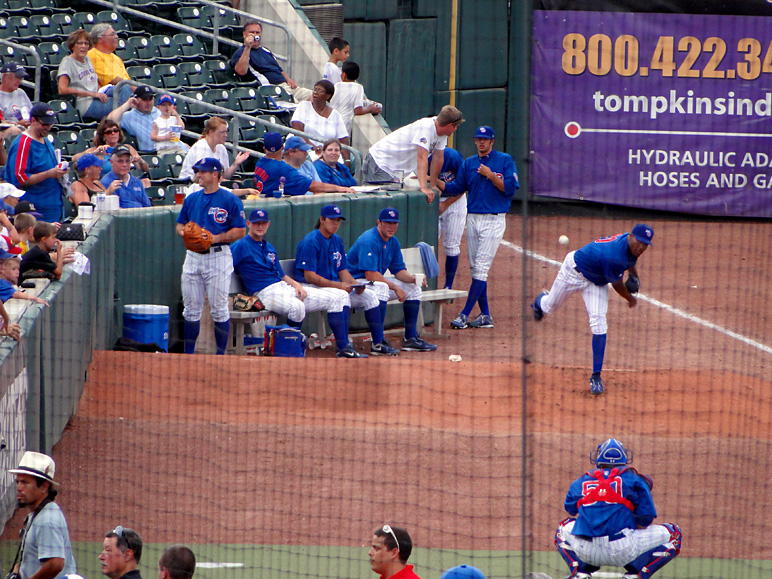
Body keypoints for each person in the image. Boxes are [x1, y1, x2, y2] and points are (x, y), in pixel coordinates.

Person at [232, 207, 378, 358]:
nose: (260, 226)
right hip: (263, 292)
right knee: (297, 307)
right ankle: (286, 350)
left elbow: (282, 276)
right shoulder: (241, 245)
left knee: (339, 297)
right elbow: (226, 265)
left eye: (263, 223)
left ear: (268, 225)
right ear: (249, 224)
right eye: (256, 223)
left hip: (282, 287)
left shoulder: (269, 247)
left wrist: (297, 285)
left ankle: (344, 348)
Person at [531, 224, 653, 395]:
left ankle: (596, 376)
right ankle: (540, 301)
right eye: (639, 242)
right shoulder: (615, 255)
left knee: (599, 323)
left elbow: (631, 261)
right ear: (631, 236)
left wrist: (634, 276)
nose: (641, 247)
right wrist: (631, 300)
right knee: (550, 307)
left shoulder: (631, 245)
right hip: (573, 272)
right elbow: (617, 285)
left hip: (596, 282)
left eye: (645, 245)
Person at [555, 439, 682, 579]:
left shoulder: (581, 481)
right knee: (674, 533)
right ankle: (637, 576)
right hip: (622, 550)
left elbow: (571, 509)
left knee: (562, 528)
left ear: (598, 458)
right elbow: (646, 519)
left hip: (586, 550)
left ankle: (580, 573)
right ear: (624, 458)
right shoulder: (634, 480)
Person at [294, 205, 399, 357]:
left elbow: (342, 270)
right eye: (331, 220)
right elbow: (310, 276)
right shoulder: (311, 241)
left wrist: (355, 284)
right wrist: (339, 286)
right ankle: (343, 347)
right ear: (322, 220)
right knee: (341, 295)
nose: (335, 223)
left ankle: (378, 343)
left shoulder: (337, 240)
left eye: (338, 220)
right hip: (309, 287)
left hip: (330, 287)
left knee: (370, 296)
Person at [440, 127, 518, 330]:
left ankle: (464, 315)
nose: (481, 143)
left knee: (481, 269)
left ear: (492, 141)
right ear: (475, 141)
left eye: (485, 139)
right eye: (478, 139)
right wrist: (433, 181)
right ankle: (485, 315)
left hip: (494, 220)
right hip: (472, 219)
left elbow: (509, 189)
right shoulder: (469, 163)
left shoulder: (505, 160)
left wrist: (491, 175)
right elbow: (455, 189)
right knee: (475, 269)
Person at [176, 157, 246, 355]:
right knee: (190, 310)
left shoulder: (230, 199)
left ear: (215, 174)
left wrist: (215, 238)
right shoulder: (191, 199)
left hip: (218, 256)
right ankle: (188, 355)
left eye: (203, 172)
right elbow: (179, 225)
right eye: (198, 171)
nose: (199, 175)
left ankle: (220, 355)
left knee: (219, 309)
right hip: (193, 257)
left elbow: (241, 231)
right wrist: (185, 233)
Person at [347, 208, 437, 353]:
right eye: (388, 223)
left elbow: (398, 270)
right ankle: (378, 342)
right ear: (379, 223)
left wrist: (412, 279)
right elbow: (370, 274)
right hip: (354, 284)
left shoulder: (393, 241)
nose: (392, 227)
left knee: (413, 288)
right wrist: (395, 287)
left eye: (394, 223)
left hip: (371, 282)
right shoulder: (369, 239)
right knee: (383, 287)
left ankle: (410, 339)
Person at [362, 105, 464, 203]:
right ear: (450, 125)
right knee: (381, 203)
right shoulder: (426, 128)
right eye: (456, 126)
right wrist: (423, 187)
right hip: (380, 162)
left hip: (395, 170)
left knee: (392, 204)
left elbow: (438, 159)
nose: (456, 130)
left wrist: (433, 185)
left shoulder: (442, 134)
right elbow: (421, 157)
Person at [8, 451, 76, 579]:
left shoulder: (48, 519)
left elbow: (55, 564)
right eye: (18, 482)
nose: (19, 487)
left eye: (25, 482)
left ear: (44, 486)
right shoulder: (38, 513)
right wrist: (17, 571)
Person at [4, 103, 66, 223]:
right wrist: (48, 173)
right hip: (36, 212)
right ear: (33, 120)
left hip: (54, 208)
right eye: (44, 124)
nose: (48, 128)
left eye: (50, 124)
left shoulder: (45, 140)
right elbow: (20, 178)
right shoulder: (23, 143)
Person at [230, 20, 312, 101]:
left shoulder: (266, 50)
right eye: (252, 32)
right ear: (244, 34)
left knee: (314, 97)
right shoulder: (241, 52)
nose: (255, 35)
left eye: (257, 32)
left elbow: (278, 69)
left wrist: (289, 80)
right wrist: (248, 47)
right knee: (298, 105)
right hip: (270, 90)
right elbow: (241, 71)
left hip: (285, 87)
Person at [254, 132, 355, 197]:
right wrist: (339, 188)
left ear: (264, 149)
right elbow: (313, 185)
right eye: (303, 151)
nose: (306, 153)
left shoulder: (261, 162)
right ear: (282, 148)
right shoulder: (283, 169)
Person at [428, 147, 465, 289]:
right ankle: (429, 283)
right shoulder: (422, 156)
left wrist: (445, 204)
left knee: (451, 245)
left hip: (455, 201)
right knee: (429, 243)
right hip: (432, 200)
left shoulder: (453, 156)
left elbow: (463, 185)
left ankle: (448, 286)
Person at [57, 29, 111, 122]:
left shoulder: (87, 59)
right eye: (80, 43)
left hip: (97, 97)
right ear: (73, 46)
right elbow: (62, 89)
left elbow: (92, 81)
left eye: (86, 44)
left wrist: (100, 92)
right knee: (123, 105)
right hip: (85, 103)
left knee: (124, 88)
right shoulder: (67, 62)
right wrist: (92, 94)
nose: (83, 46)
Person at [290, 80, 350, 160]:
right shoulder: (303, 106)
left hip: (330, 151)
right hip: (308, 149)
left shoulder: (335, 114)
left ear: (328, 96)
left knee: (355, 157)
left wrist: (347, 160)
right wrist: (313, 147)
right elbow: (297, 131)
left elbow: (343, 139)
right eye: (315, 89)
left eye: (320, 91)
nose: (315, 92)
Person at [72, 118, 149, 178]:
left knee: (145, 181)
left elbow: (145, 169)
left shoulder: (127, 148)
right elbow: (74, 159)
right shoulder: (98, 150)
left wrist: (140, 161)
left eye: (115, 130)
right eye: (109, 132)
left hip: (126, 182)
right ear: (103, 136)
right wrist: (95, 153)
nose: (113, 133)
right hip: (106, 184)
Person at [179, 117, 249, 182]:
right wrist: (230, 183)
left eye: (226, 132)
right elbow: (205, 177)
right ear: (211, 132)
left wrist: (236, 164)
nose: (225, 135)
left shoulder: (221, 148)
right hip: (190, 185)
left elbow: (224, 176)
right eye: (222, 132)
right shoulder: (201, 147)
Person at [331, 61, 381, 137]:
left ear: (343, 75)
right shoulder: (358, 87)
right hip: (343, 126)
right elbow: (358, 111)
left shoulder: (336, 85)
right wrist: (371, 109)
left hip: (331, 122)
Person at [88, 23, 133, 104]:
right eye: (112, 35)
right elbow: (111, 80)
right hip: (103, 94)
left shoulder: (117, 58)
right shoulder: (92, 54)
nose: (116, 37)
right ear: (100, 38)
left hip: (121, 92)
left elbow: (127, 80)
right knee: (125, 88)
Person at [107, 86, 159, 153]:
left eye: (150, 99)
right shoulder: (129, 116)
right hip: (149, 153)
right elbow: (110, 120)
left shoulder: (158, 111)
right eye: (145, 99)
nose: (148, 102)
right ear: (136, 99)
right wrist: (128, 104)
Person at [0, 62, 32, 139]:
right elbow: (1, 123)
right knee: (15, 131)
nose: (19, 81)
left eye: (20, 78)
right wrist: (18, 124)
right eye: (17, 77)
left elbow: (32, 113)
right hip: (6, 132)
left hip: (26, 130)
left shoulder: (21, 92)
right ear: (5, 76)